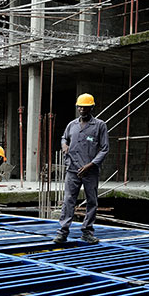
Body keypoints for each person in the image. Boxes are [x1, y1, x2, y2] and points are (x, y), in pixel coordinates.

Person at [54, 93, 109, 245]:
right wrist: (64, 145)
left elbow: (104, 149)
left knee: (92, 201)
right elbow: (64, 137)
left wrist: (91, 165)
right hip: (72, 169)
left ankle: (87, 232)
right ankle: (63, 232)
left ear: (91, 107)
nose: (81, 110)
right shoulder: (72, 125)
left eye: (85, 107)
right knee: (68, 201)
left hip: (90, 171)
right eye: (79, 107)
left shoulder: (99, 126)